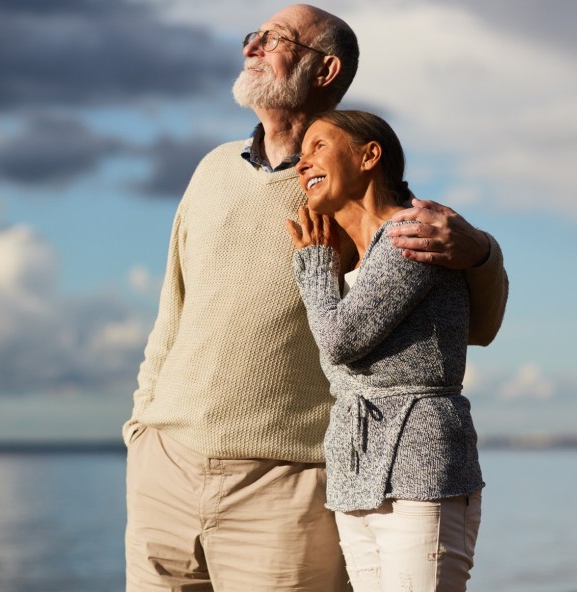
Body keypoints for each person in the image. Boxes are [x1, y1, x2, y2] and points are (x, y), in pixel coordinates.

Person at [124, 5, 508, 590]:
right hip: (164, 472)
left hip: (289, 486)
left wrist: (481, 251)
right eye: (251, 36)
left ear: (325, 69)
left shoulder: (350, 194)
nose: (252, 46)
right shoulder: (211, 170)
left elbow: (473, 324)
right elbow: (171, 311)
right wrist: (142, 427)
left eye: (273, 39)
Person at [287, 110, 483, 591]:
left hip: (419, 462)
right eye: (300, 153)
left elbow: (339, 342)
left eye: (317, 146)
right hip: (357, 470)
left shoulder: (410, 234)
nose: (301, 163)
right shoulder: (363, 257)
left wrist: (314, 268)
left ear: (369, 155)